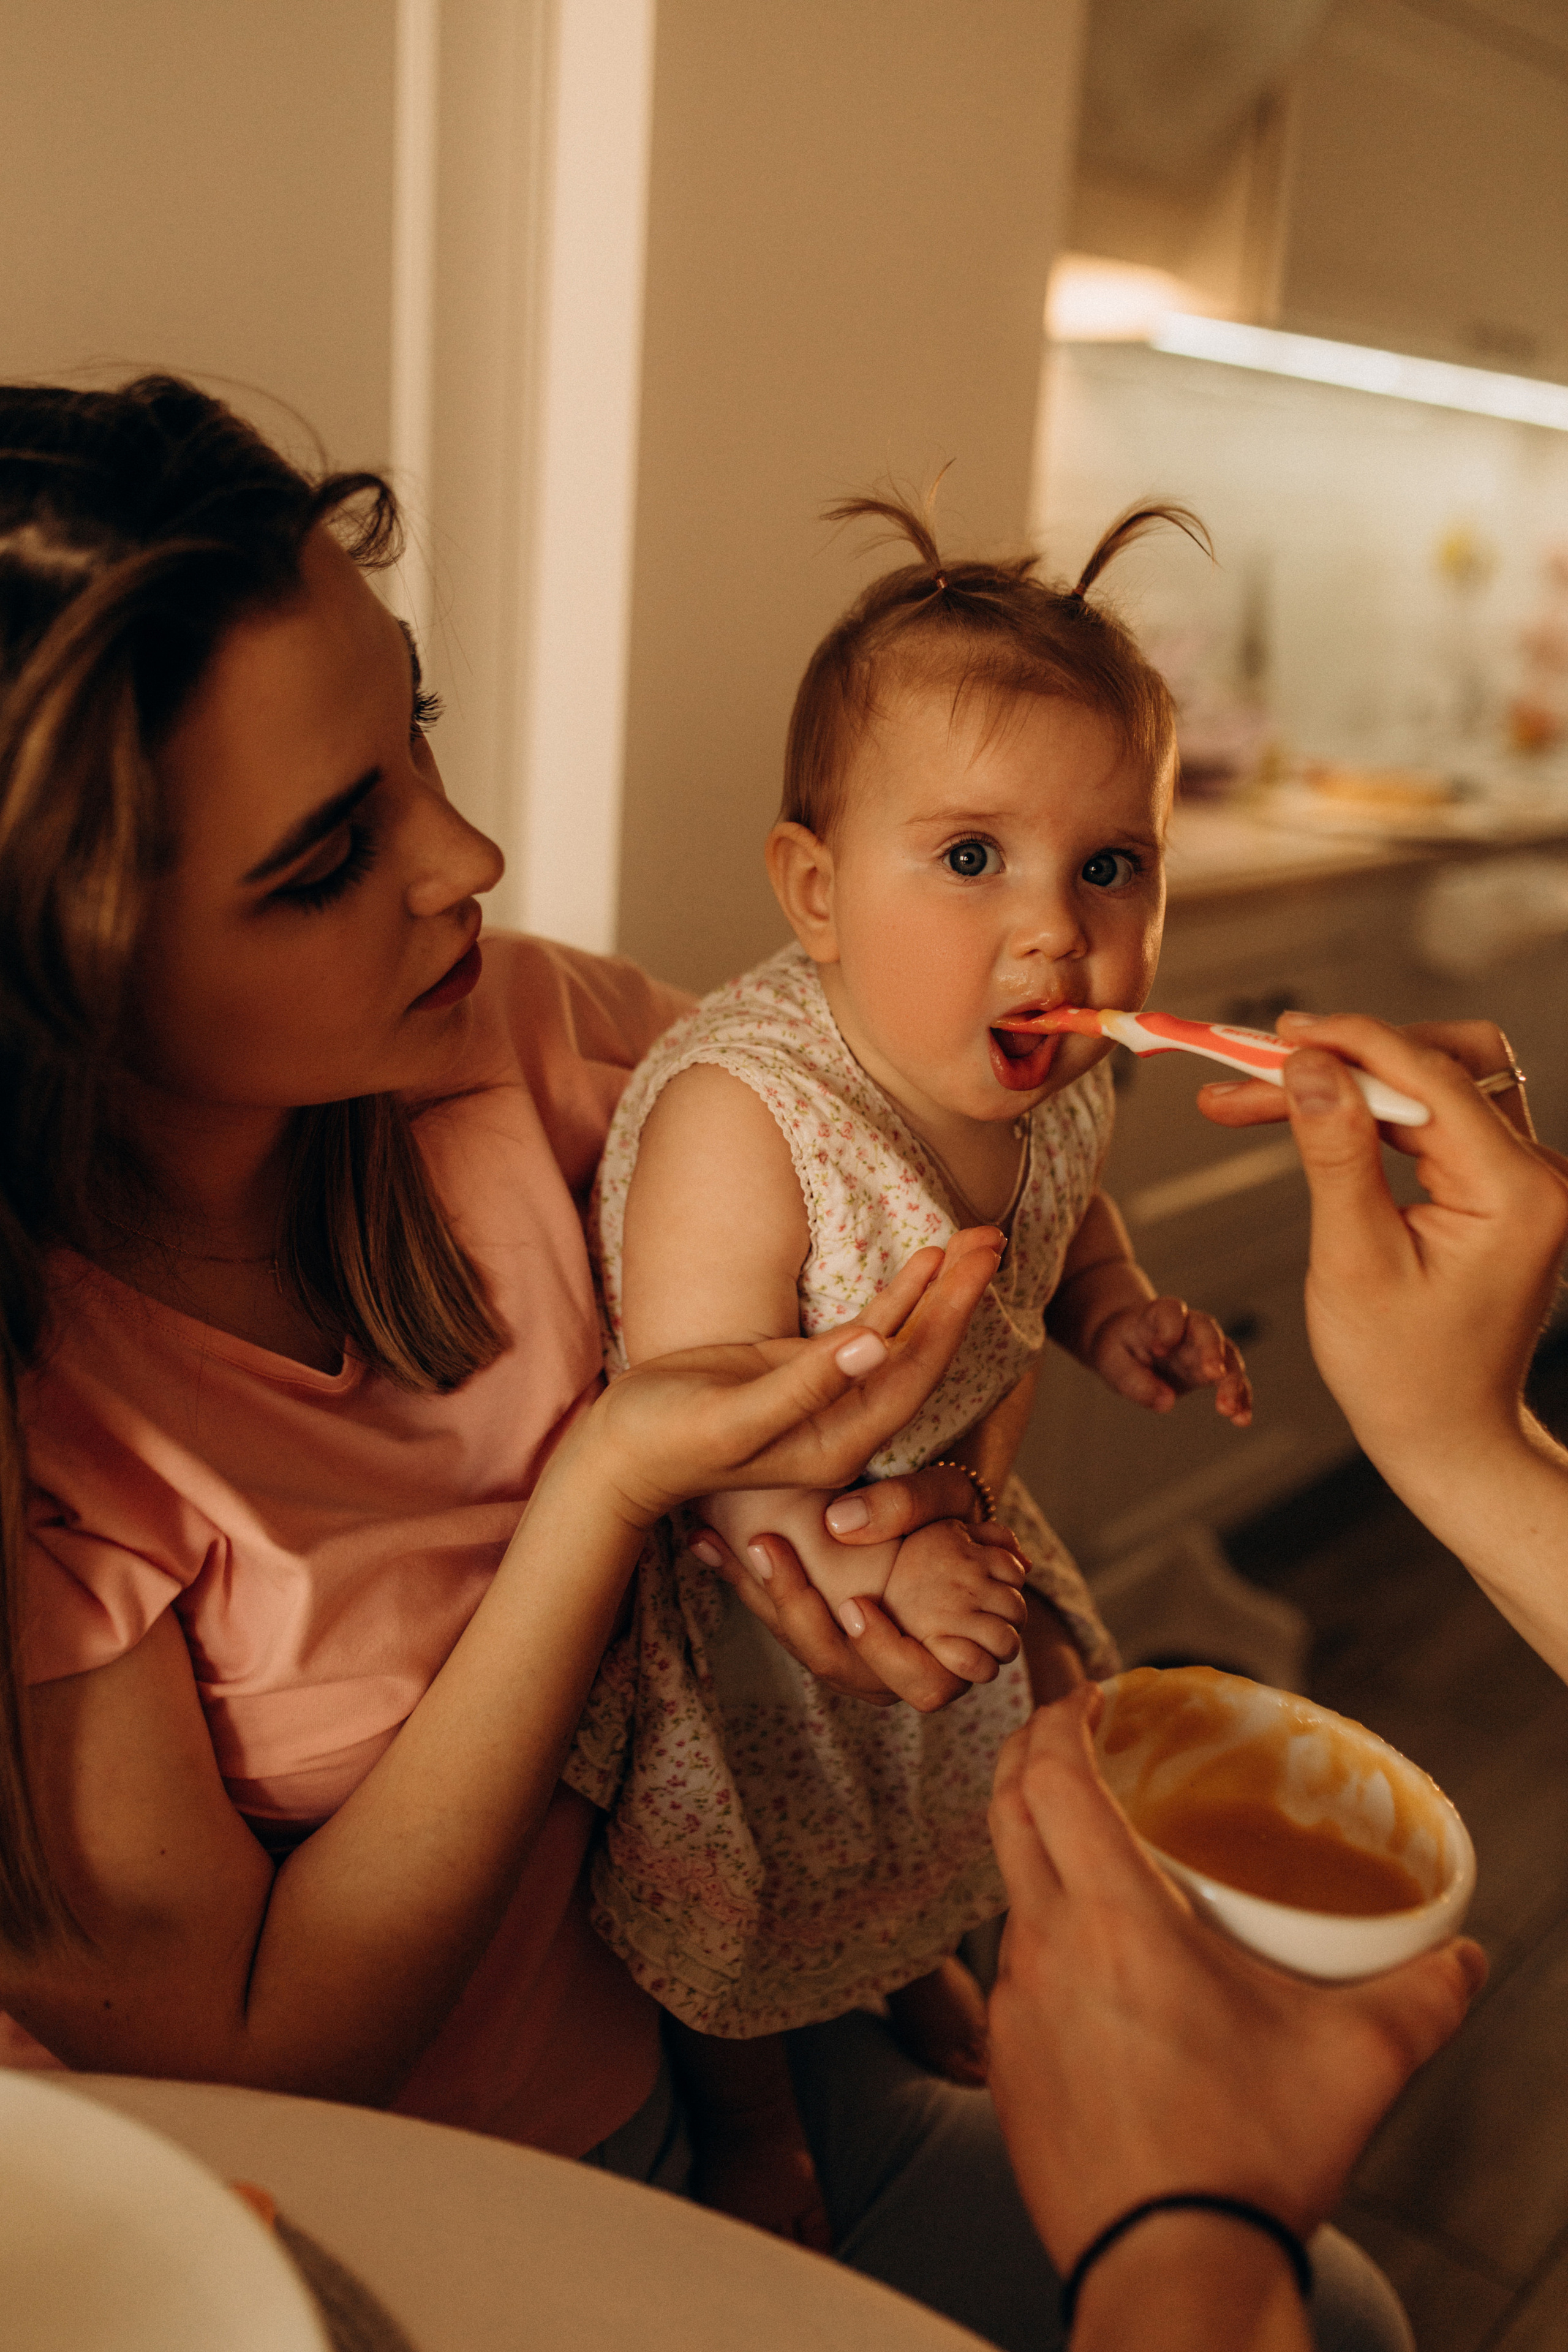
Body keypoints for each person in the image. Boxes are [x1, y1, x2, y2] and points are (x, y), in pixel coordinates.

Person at [0, 375, 1100, 2352]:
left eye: (411, 726)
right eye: (331, 855)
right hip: (442, 2222)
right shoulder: (53, 1436)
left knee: (1333, 2310)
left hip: (736, 2014)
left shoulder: (520, 1040)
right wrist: (605, 1489)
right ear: (68, 971)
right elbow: (261, 2061)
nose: (473, 852)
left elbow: (889, 1127)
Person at [575, 491, 1255, 2237]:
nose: (1055, 932)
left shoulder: (1057, 1073)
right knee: (750, 1877)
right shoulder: (752, 1115)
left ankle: (899, 1977)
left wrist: (1116, 1310)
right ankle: (749, 2118)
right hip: (752, 1580)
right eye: (972, 860)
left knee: (959, 1773)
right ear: (813, 890)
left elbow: (1070, 1210)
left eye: (1110, 867)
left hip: (939, 1515)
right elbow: (704, 1432)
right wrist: (879, 1543)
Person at [975, 1012, 1568, 2346]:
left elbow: (1074, 1234)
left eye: (1120, 865)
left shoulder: (1061, 1124)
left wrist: (1177, 2236)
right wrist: (1460, 1442)